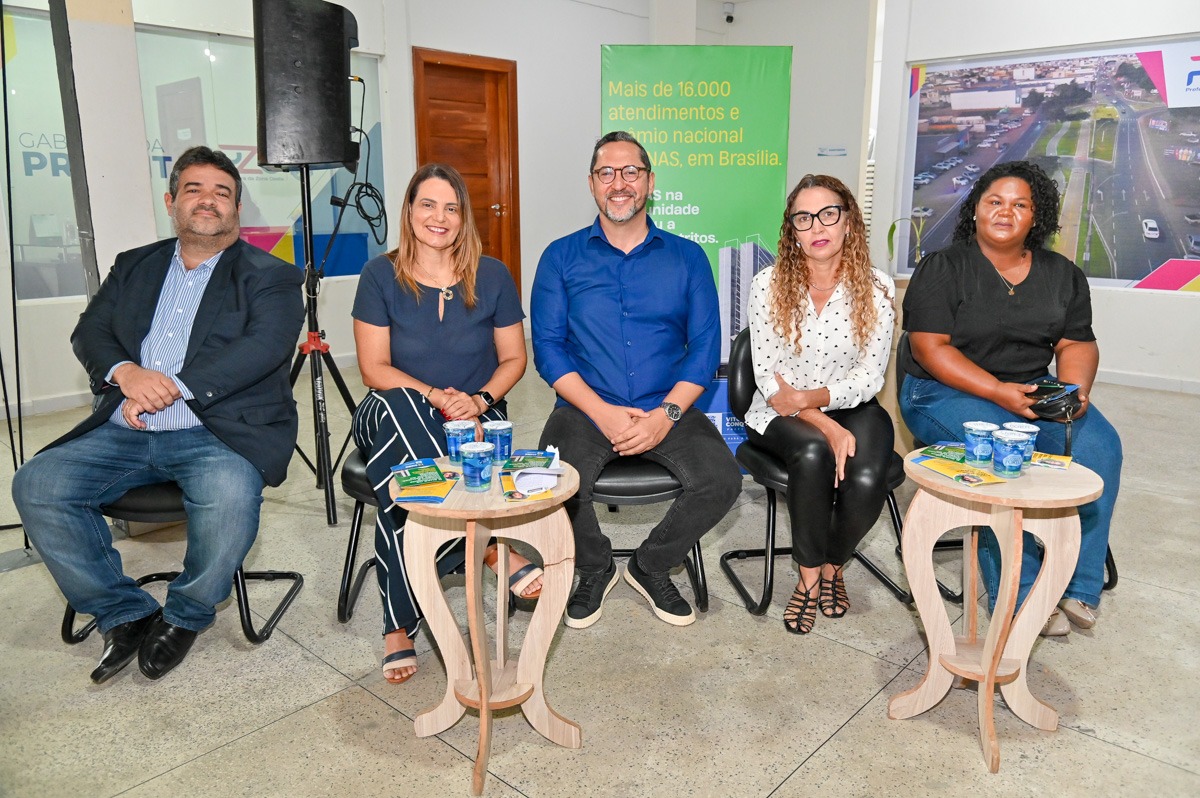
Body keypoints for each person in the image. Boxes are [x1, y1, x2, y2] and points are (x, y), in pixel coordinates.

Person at [11, 146, 305, 682]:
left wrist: (169, 387)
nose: (208, 200)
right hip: (125, 428)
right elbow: (90, 331)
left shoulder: (272, 275)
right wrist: (127, 373)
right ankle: (123, 612)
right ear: (171, 202)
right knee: (38, 484)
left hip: (215, 432)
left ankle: (186, 614)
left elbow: (264, 347)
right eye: (194, 189)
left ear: (238, 208)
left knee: (230, 498)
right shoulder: (135, 264)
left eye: (222, 192)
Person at [898, 160, 1122, 636]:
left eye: (1020, 204)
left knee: (1100, 447)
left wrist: (1072, 392)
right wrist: (998, 392)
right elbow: (930, 349)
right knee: (1006, 454)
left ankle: (1079, 583)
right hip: (942, 390)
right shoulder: (944, 267)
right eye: (995, 201)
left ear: (1036, 217)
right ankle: (1022, 594)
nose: (1005, 212)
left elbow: (1076, 342)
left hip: (1029, 387)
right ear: (976, 209)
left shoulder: (1062, 275)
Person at [531, 131, 742, 630]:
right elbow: (549, 349)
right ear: (591, 184)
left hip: (668, 404)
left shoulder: (688, 257)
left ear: (649, 182)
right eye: (606, 173)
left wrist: (664, 416)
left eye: (631, 172)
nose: (619, 183)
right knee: (552, 482)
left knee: (721, 480)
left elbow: (704, 349)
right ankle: (594, 566)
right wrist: (602, 413)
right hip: (585, 407)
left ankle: (650, 565)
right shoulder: (560, 257)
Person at [351, 163, 540, 685]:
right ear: (409, 211)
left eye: (451, 208)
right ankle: (487, 547)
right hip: (391, 410)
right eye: (428, 205)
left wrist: (477, 402)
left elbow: (514, 360)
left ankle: (397, 624)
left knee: (405, 475)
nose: (439, 217)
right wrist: (437, 398)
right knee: (402, 412)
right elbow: (374, 369)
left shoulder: (493, 274)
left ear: (464, 217)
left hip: (477, 414)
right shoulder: (379, 275)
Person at [744, 175, 896, 635]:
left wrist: (818, 402)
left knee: (866, 477)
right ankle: (809, 580)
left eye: (828, 213)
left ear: (848, 221)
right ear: (792, 230)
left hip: (853, 405)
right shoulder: (767, 284)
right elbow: (769, 377)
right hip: (777, 410)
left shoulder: (878, 287)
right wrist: (826, 425)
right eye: (804, 218)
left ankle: (833, 564)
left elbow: (870, 376)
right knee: (813, 453)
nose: (817, 226)